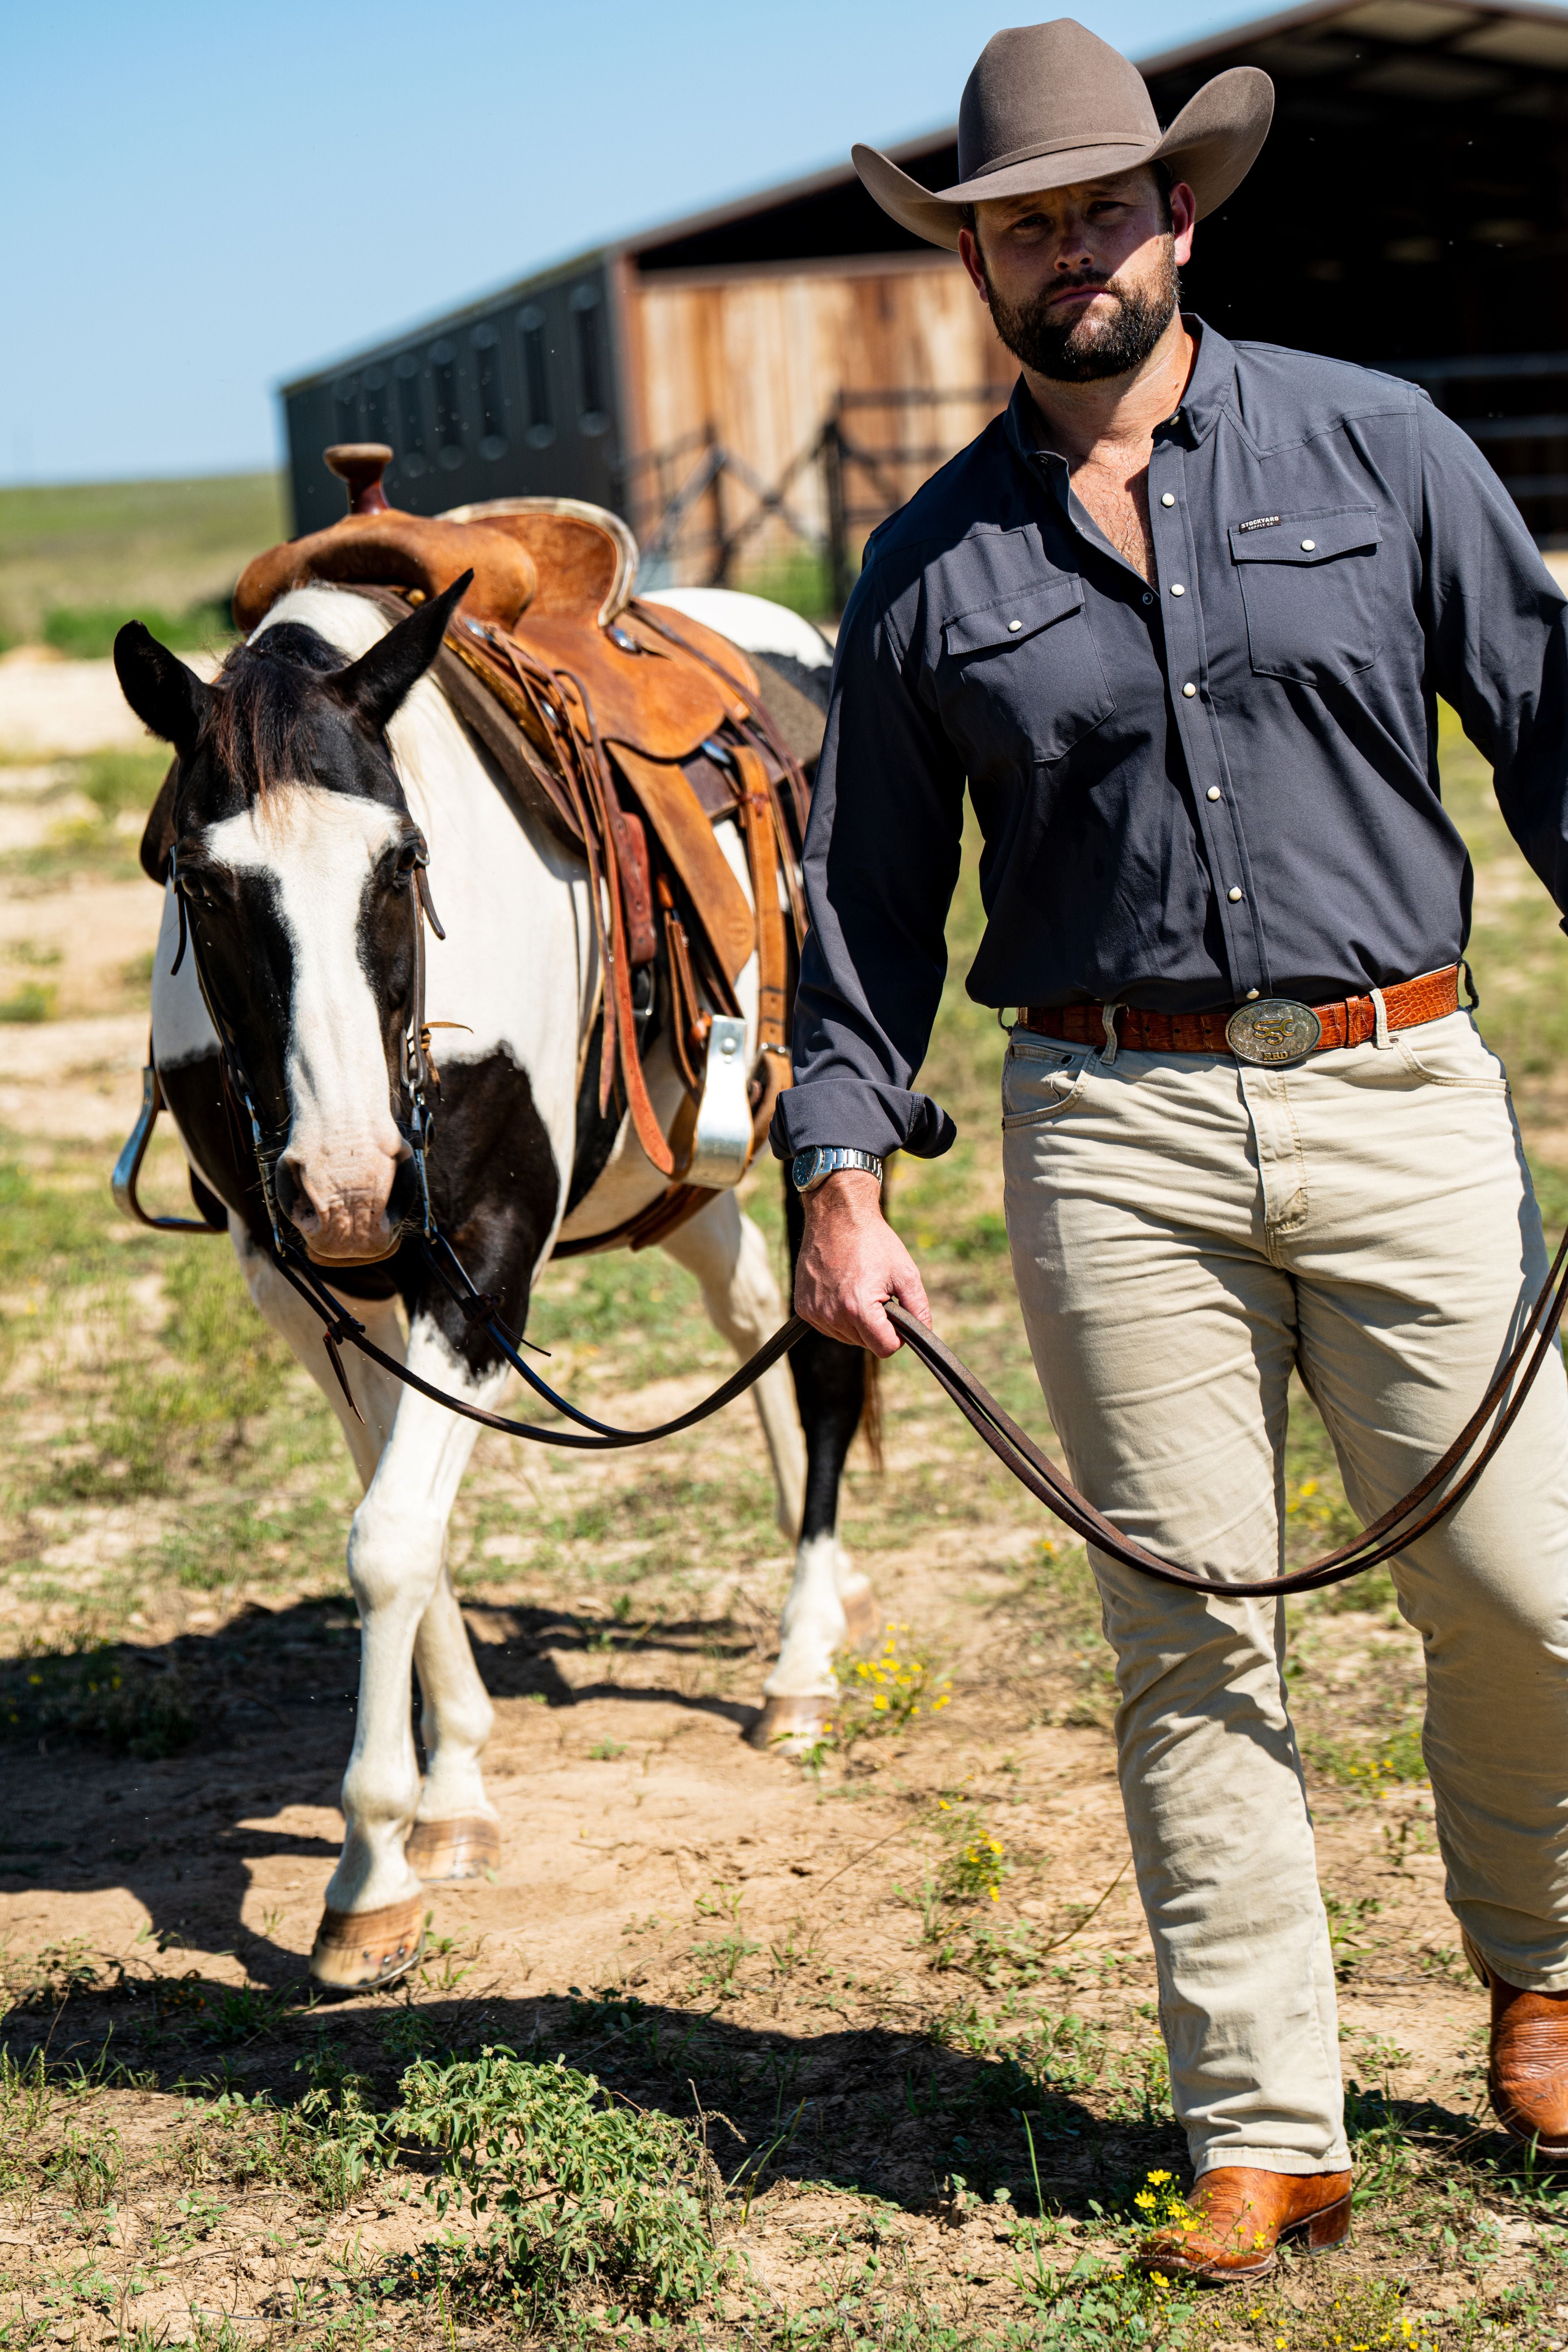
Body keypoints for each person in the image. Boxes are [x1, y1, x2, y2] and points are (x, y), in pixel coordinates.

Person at [773, 15, 1568, 2288]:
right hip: (1106, 1130)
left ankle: (1546, 1965)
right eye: (1019, 224)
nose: (1065, 253)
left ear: (1177, 213)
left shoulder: (1383, 447)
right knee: (1192, 1635)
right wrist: (840, 1167)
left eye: (1099, 208)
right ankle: (1266, 2121)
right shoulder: (928, 569)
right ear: (977, 264)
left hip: (1402, 1089)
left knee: (1529, 1587)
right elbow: (864, 905)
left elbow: (1552, 725)